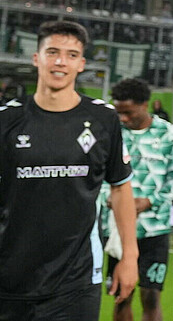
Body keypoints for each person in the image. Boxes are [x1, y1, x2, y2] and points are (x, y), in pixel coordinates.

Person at [0, 20, 138, 320]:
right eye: (52, 52)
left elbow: (120, 187)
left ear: (82, 64)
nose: (61, 61)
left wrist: (130, 256)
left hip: (77, 280)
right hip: (11, 278)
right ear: (37, 58)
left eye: (71, 54)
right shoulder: (7, 121)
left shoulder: (104, 120)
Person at [107, 77, 173, 321]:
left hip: (155, 230)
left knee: (151, 296)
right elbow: (97, 175)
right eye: (119, 112)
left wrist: (149, 201)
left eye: (128, 112)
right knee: (122, 296)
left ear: (145, 104)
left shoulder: (168, 134)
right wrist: (109, 198)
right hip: (117, 230)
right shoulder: (112, 132)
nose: (123, 118)